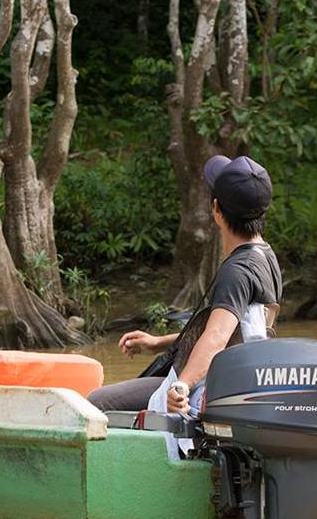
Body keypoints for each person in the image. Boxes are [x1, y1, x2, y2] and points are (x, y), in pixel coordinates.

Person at [88, 155, 281, 417]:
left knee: (98, 402)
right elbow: (235, 330)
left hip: (210, 384)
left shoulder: (238, 270)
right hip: (240, 378)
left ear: (216, 209)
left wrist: (182, 385)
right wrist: (158, 343)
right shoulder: (265, 257)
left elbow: (216, 338)